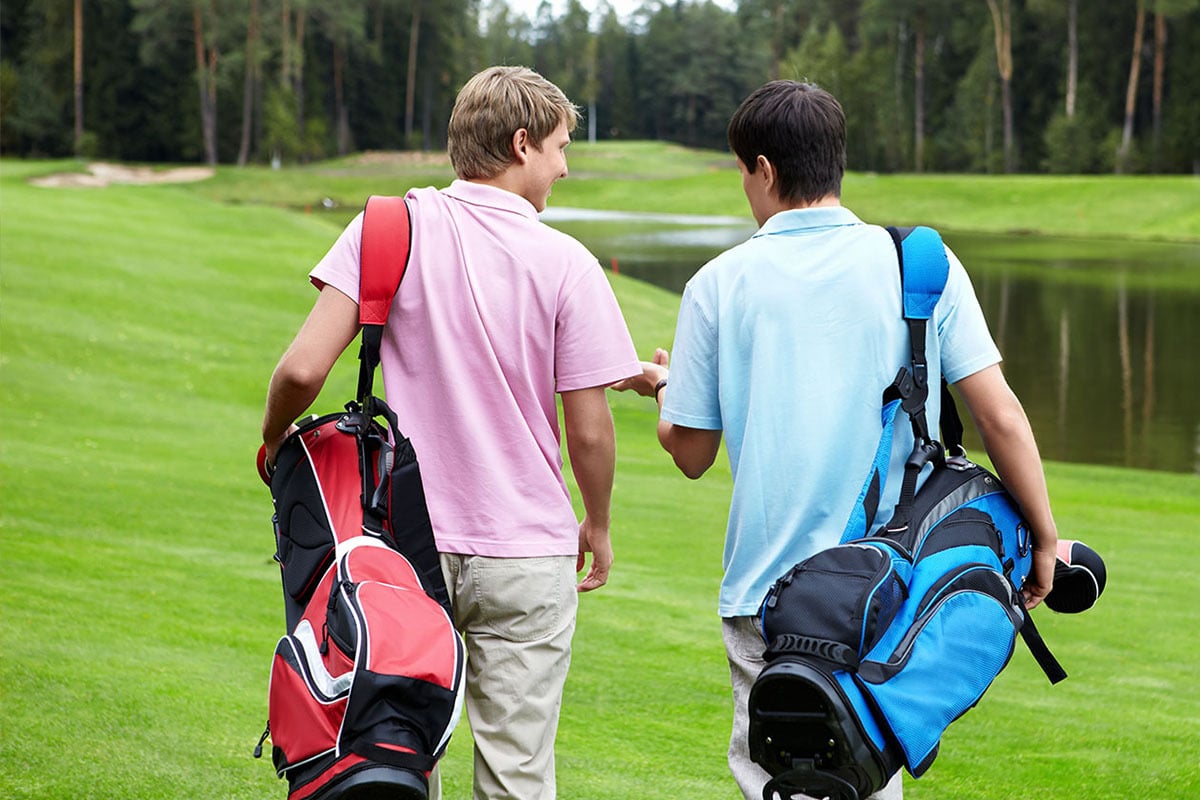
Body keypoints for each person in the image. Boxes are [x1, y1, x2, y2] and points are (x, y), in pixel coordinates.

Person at [612, 80, 1058, 800]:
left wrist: (665, 389)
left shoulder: (716, 284)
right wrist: (1042, 537)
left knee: (778, 785)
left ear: (761, 168)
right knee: (863, 776)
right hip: (892, 587)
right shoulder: (921, 265)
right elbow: (1000, 417)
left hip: (767, 594)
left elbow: (690, 453)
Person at [261, 65, 640, 800]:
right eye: (562, 147)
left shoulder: (384, 226)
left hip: (398, 546)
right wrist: (597, 521)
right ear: (522, 144)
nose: (565, 166)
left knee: (393, 759)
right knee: (517, 775)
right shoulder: (569, 262)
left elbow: (303, 370)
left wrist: (275, 441)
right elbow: (589, 434)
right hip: (527, 554)